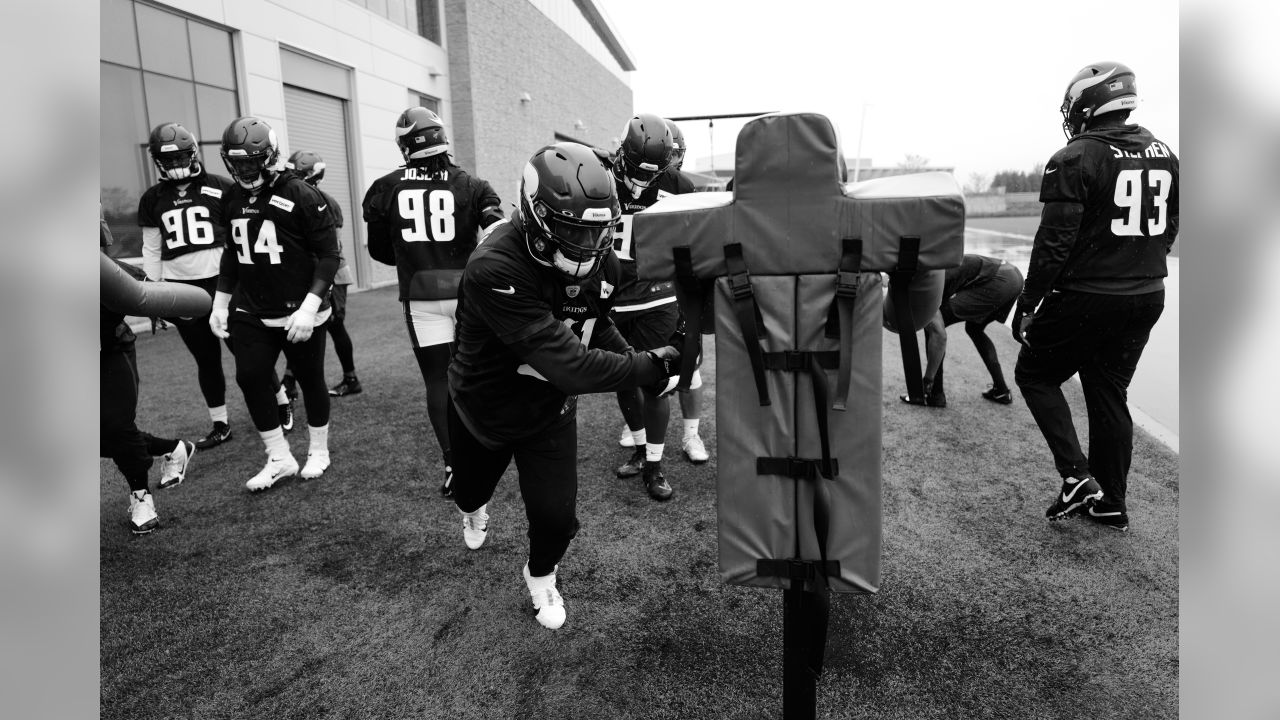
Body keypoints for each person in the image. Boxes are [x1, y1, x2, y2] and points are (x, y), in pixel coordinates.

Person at [448, 142, 681, 630]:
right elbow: (571, 365)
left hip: (549, 411)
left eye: (595, 231)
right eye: (572, 229)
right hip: (484, 407)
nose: (584, 245)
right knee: (468, 492)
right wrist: (648, 366)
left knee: (556, 519)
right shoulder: (495, 266)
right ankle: (474, 510)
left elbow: (596, 324)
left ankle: (541, 576)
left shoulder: (602, 261)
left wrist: (637, 357)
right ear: (533, 213)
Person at [1012, 61, 1178, 532]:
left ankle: (1077, 478)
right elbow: (1170, 229)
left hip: (1088, 296)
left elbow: (1053, 243)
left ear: (1087, 102)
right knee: (1108, 392)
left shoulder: (1077, 155)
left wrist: (1029, 303)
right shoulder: (1165, 152)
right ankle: (1111, 502)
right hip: (1147, 294)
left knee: (1035, 374)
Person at [363, 107, 504, 497]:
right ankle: (492, 445)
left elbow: (380, 251)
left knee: (437, 380)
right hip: (469, 293)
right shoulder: (473, 184)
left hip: (421, 295)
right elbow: (497, 237)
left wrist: (416, 254)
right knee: (482, 370)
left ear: (405, 146)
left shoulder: (386, 186)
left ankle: (454, 463)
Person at [137, 122, 294, 449]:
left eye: (181, 156)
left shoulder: (222, 186)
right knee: (205, 358)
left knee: (247, 351)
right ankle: (220, 423)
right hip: (182, 290)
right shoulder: (152, 198)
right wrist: (153, 294)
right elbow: (151, 248)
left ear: (193, 153)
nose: (176, 164)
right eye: (169, 159)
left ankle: (280, 400)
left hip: (225, 284)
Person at [210, 116, 341, 491]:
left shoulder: (301, 193)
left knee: (311, 379)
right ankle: (280, 457)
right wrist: (220, 303)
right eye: (239, 163)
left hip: (300, 307)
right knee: (250, 377)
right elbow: (233, 254)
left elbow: (329, 256)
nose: (246, 170)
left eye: (253, 161)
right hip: (252, 306)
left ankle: (319, 449)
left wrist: (309, 306)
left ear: (270, 156)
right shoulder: (232, 196)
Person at [100, 215, 204, 534]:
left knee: (117, 426)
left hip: (109, 352)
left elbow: (157, 296)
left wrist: (194, 308)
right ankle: (174, 447)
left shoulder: (113, 274)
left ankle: (141, 497)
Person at [608, 113, 682, 500]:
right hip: (612, 299)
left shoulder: (677, 185)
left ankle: (654, 465)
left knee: (655, 385)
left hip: (658, 299)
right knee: (622, 377)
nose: (640, 181)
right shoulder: (600, 172)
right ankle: (639, 450)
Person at [284, 150, 362, 398]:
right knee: (299, 326)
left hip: (332, 274)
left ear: (313, 176)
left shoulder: (326, 202)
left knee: (334, 327)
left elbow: (331, 250)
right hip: (308, 273)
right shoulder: (290, 198)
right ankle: (289, 380)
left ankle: (351, 379)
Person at [899, 254, 1023, 408]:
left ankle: (933, 393)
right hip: (1014, 277)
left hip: (1000, 280)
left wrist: (927, 379)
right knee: (974, 328)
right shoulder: (935, 267)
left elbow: (939, 334)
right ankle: (1001, 390)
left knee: (933, 325)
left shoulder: (933, 279)